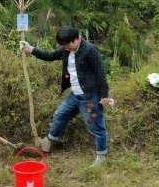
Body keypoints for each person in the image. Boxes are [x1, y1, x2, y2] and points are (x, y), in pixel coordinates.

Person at [19, 26, 111, 167]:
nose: (66, 47)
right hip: (75, 94)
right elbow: (49, 56)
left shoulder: (90, 51)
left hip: (89, 95)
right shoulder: (66, 50)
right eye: (63, 46)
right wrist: (31, 49)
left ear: (76, 39)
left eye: (68, 44)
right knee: (60, 114)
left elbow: (100, 73)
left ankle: (101, 155)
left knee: (95, 125)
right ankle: (48, 142)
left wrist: (104, 95)